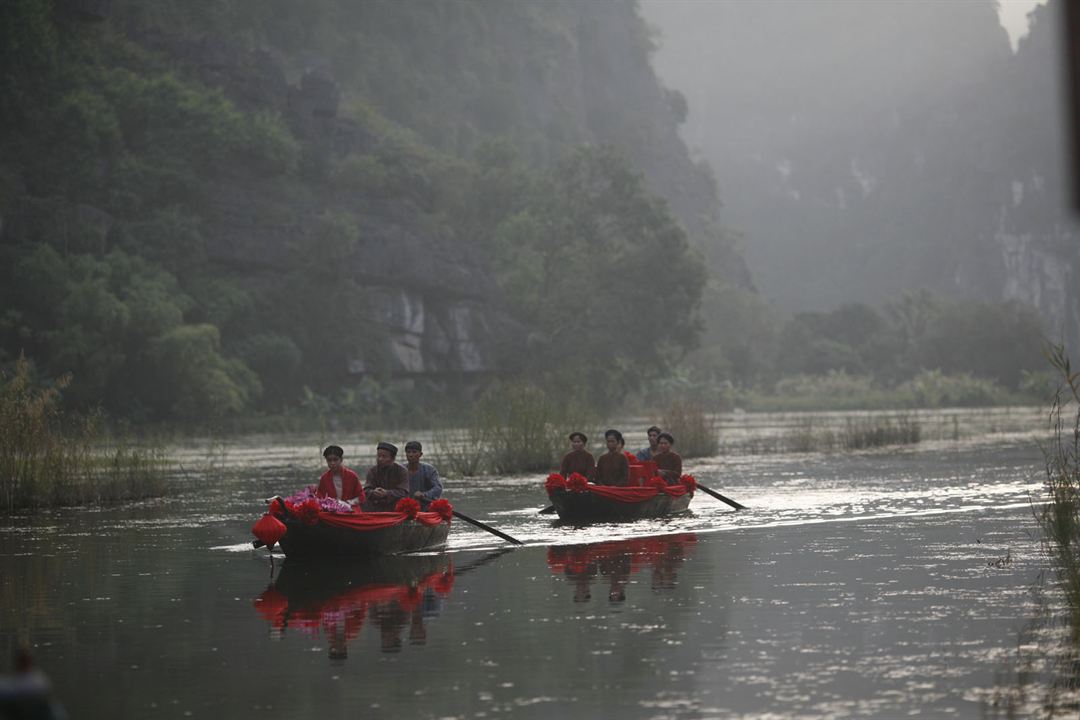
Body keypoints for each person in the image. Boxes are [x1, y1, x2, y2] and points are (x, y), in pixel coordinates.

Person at [363, 442, 411, 511]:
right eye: (378, 456)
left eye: (384, 456)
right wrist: (374, 492)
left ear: (393, 458)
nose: (380, 459)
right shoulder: (372, 471)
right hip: (376, 504)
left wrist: (387, 493)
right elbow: (366, 490)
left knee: (404, 501)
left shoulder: (402, 471)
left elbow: (404, 492)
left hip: (395, 505)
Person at [403, 440, 443, 510]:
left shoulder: (429, 470)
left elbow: (438, 488)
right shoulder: (401, 470)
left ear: (420, 454)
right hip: (405, 507)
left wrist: (424, 494)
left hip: (425, 507)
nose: (411, 455)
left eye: (414, 452)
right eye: (408, 452)